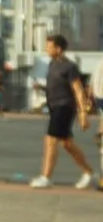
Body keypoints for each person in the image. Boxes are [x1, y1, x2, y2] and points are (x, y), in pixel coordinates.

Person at [31, 33, 93, 188]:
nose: (46, 49)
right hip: (54, 106)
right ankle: (88, 172)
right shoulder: (52, 64)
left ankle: (46, 177)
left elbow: (78, 89)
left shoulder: (69, 66)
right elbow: (56, 86)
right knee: (67, 144)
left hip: (64, 107)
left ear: (58, 49)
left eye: (49, 46)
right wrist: (41, 88)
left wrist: (83, 112)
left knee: (50, 140)